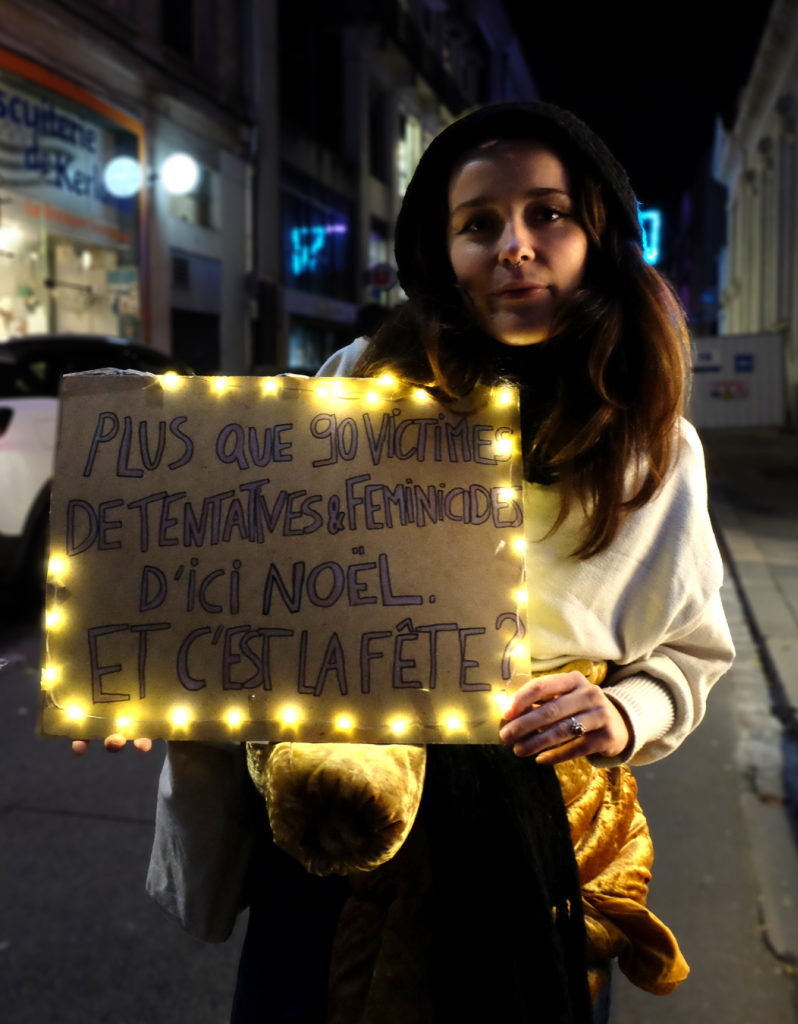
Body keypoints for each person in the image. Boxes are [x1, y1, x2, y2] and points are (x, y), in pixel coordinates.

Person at [73, 102, 734, 1024]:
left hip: (532, 848)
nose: (513, 245)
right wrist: (140, 669)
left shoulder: (653, 450)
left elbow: (691, 653)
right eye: (477, 224)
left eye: (548, 213)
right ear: (439, 253)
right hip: (332, 836)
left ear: (601, 238)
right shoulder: (353, 382)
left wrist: (625, 708)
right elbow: (238, 569)